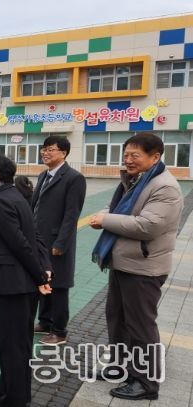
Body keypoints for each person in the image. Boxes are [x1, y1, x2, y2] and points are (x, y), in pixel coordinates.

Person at [90, 133, 182, 401]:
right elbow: (118, 208)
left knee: (140, 326)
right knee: (117, 319)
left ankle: (146, 383)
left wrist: (106, 219)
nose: (128, 160)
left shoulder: (165, 187)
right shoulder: (137, 180)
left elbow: (148, 226)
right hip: (123, 263)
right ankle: (119, 366)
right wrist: (107, 214)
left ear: (155, 157)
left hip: (144, 267)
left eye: (135, 155)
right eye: (126, 155)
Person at [0, 155, 52, 407]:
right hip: (21, 283)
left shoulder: (0, 202)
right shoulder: (15, 196)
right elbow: (35, 236)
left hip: (15, 284)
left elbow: (20, 243)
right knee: (18, 343)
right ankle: (7, 391)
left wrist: (40, 275)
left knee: (12, 346)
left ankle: (14, 400)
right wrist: (44, 269)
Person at [31, 136, 86, 346]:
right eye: (44, 149)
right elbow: (35, 206)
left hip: (57, 243)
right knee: (43, 280)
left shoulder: (74, 178)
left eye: (50, 149)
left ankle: (59, 331)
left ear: (63, 153)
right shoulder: (43, 175)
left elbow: (72, 215)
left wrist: (61, 243)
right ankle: (45, 322)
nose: (45, 153)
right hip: (40, 241)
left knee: (59, 286)